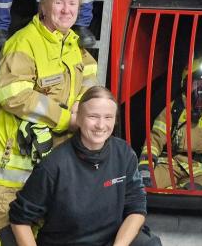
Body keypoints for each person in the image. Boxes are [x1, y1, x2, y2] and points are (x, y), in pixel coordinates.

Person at [0, 0, 99, 246]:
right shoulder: (24, 43)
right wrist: (67, 118)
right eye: (59, 2)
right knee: (0, 237)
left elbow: (89, 82)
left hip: (45, 164)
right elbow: (13, 94)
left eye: (72, 4)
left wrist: (84, 106)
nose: (66, 10)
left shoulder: (74, 46)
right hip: (6, 169)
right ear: (44, 6)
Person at [9, 86, 162, 246]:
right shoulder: (55, 165)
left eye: (108, 117)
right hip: (67, 242)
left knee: (149, 243)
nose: (101, 125)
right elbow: (19, 218)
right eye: (93, 116)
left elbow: (137, 208)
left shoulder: (123, 153)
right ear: (79, 119)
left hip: (110, 241)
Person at [138, 58, 202, 191]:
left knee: (197, 191)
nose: (200, 89)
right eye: (195, 83)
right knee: (144, 184)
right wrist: (145, 166)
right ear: (186, 84)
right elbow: (155, 138)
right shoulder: (174, 108)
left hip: (201, 169)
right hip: (171, 163)